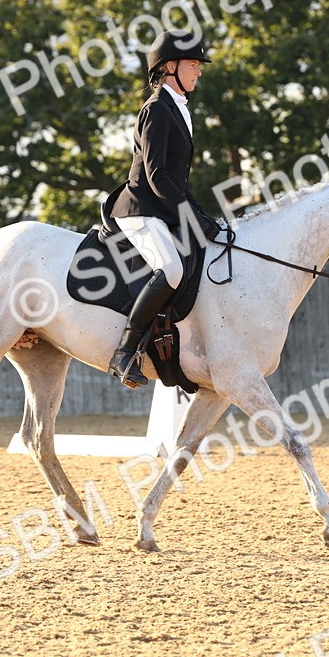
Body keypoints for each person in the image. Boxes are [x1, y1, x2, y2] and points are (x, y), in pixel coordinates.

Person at [103, 29, 217, 389]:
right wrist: (190, 216)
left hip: (162, 209)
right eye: (193, 64)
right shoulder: (155, 109)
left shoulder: (178, 109)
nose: (199, 71)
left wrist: (202, 216)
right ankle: (124, 352)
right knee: (171, 270)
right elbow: (156, 175)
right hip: (140, 208)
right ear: (170, 67)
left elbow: (178, 180)